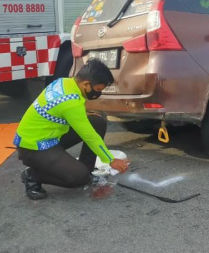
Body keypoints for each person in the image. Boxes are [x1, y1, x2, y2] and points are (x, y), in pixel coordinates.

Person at [14, 59, 129, 200]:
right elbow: (90, 136)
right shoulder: (70, 103)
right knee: (78, 178)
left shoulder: (65, 82)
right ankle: (32, 175)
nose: (98, 93)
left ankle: (87, 170)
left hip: (50, 135)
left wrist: (83, 114)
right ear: (86, 84)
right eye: (98, 90)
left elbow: (60, 109)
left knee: (96, 122)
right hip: (33, 147)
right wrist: (111, 160)